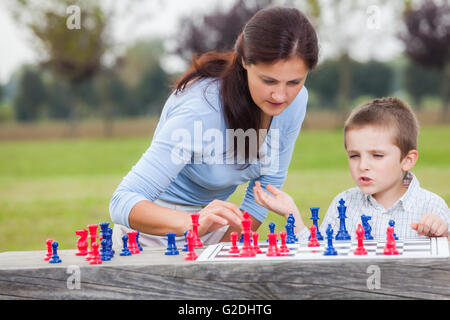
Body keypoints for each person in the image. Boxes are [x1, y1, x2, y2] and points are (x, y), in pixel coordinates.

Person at [109, 6, 319, 248]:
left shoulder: (296, 101)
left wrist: (222, 247)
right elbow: (122, 201)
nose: (281, 95)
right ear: (244, 61)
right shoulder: (200, 108)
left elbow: (264, 191)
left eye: (294, 81)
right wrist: (194, 224)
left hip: (216, 229)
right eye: (268, 80)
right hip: (153, 231)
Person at [253, 97, 450, 240]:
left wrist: (445, 235)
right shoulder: (344, 203)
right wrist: (292, 214)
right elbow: (320, 258)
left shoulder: (432, 207)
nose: (363, 166)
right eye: (354, 155)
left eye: (377, 155)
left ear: (407, 160)